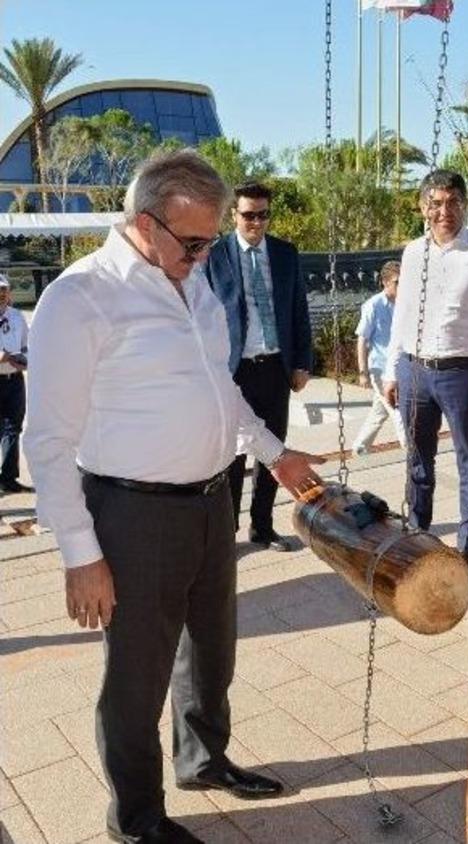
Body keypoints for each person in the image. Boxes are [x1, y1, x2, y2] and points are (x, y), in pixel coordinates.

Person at [24, 150, 324, 844]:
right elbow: (45, 440)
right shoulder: (81, 297)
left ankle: (203, 760)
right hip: (132, 514)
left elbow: (222, 391)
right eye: (193, 241)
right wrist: (81, 555)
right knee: (137, 678)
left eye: (212, 239)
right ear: (143, 221)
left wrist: (276, 455)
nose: (205, 253)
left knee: (212, 650)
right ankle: (137, 820)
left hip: (210, 500)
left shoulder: (193, 284)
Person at [384, 169, 468, 574]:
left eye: (453, 202)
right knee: (418, 459)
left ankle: (466, 545)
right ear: (424, 207)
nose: (445, 211)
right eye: (436, 203)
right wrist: (392, 370)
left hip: (462, 374)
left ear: (464, 204)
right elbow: (401, 316)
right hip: (414, 372)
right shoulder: (412, 253)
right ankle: (419, 537)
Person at [204, 182, 313, 552]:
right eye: (248, 215)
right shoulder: (214, 255)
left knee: (274, 451)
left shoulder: (285, 254)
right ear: (234, 214)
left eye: (263, 215)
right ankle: (227, 532)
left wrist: (301, 362)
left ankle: (262, 527)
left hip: (275, 368)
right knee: (233, 456)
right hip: (232, 370)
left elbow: (299, 309)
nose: (256, 222)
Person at [352, 260, 406, 454]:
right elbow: (362, 340)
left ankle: (359, 447)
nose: (402, 286)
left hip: (400, 369)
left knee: (379, 412)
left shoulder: (406, 304)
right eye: (397, 282)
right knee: (398, 411)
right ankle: (411, 451)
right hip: (379, 370)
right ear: (385, 282)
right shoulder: (373, 306)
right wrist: (362, 372)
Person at [0, 273, 30, 493]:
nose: (1, 294)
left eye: (4, 290)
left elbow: (28, 345)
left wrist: (25, 360)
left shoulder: (17, 316)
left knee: (13, 429)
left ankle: (8, 479)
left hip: (14, 380)